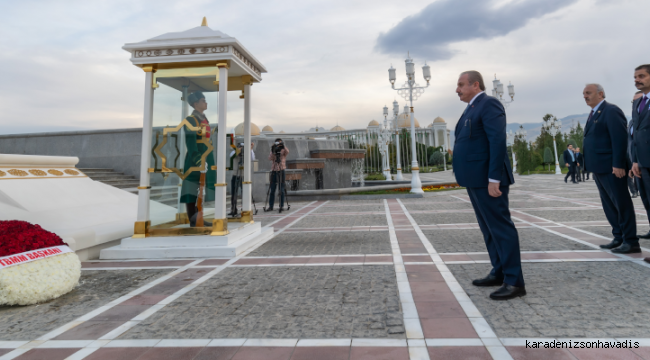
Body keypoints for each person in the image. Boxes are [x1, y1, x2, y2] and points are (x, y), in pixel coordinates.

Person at [453, 70, 525, 300]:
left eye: (461, 85)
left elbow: (497, 140)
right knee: (488, 229)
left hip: (488, 180)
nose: (457, 89)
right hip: (475, 179)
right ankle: (499, 271)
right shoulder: (471, 108)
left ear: (476, 85)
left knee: (501, 228)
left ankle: (514, 282)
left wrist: (494, 178)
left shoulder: (489, 104)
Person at [582, 84, 639, 254]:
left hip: (611, 167)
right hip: (598, 167)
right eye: (584, 94)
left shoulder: (611, 111)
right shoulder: (593, 113)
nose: (585, 96)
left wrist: (619, 164)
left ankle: (630, 240)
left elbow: (619, 139)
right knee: (609, 204)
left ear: (600, 94)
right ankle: (618, 236)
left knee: (621, 204)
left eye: (588, 93)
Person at [180, 91, 216, 227]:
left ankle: (200, 216)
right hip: (195, 158)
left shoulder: (204, 119)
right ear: (196, 104)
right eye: (203, 100)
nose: (205, 103)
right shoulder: (191, 120)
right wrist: (197, 159)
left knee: (203, 188)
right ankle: (193, 219)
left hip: (207, 157)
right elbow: (191, 142)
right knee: (192, 188)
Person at [630, 65, 650, 263]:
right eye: (636, 77)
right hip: (643, 163)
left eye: (642, 76)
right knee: (649, 204)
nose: (637, 79)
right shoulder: (638, 103)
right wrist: (635, 160)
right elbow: (636, 135)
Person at [229, 142, 256, 216]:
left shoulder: (247, 153)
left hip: (244, 176)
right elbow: (231, 156)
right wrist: (238, 150)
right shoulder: (234, 152)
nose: (242, 149)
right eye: (241, 147)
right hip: (235, 175)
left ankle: (245, 208)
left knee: (245, 193)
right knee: (234, 193)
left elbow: (252, 158)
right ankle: (233, 209)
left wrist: (250, 149)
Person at [267, 138, 289, 211]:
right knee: (272, 189)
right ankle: (271, 206)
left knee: (281, 189)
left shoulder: (283, 149)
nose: (278, 144)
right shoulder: (273, 149)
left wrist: (282, 146)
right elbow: (270, 158)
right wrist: (273, 149)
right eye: (277, 143)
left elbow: (287, 152)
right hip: (274, 170)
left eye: (279, 143)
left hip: (281, 169)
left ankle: (281, 205)